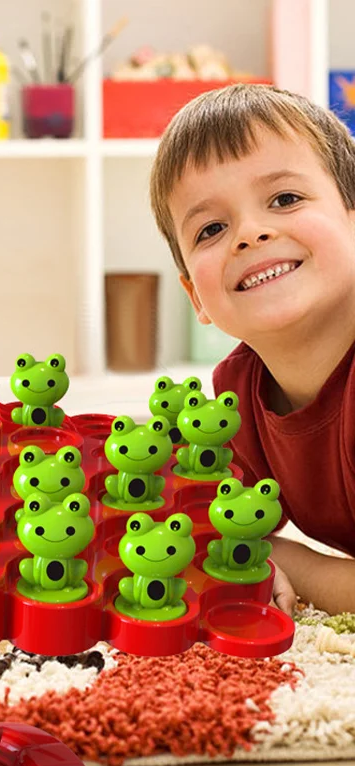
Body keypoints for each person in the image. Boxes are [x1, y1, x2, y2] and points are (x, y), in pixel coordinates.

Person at [150, 82, 355, 616]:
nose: (250, 233)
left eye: (285, 199)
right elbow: (216, 525)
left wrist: (284, 555)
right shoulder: (237, 392)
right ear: (196, 295)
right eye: (212, 228)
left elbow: (263, 545)